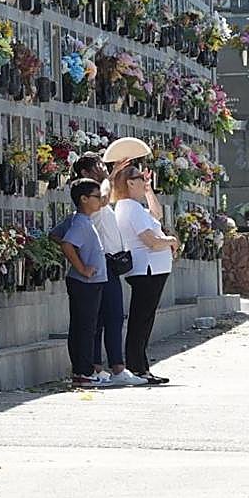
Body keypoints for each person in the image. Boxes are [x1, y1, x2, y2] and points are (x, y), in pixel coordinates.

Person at [51, 154, 147, 387]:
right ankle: (109, 368)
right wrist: (82, 263)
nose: (102, 169)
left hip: (104, 267)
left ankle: (95, 368)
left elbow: (56, 234)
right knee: (106, 318)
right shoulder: (91, 204)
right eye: (97, 166)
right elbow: (63, 239)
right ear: (84, 174)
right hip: (97, 269)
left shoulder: (89, 204)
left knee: (101, 319)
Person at [114, 164, 179, 385]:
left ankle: (141, 367)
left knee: (144, 320)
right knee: (141, 321)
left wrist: (149, 190)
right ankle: (137, 368)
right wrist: (171, 241)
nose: (144, 179)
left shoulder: (133, 207)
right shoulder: (130, 207)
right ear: (130, 183)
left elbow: (156, 215)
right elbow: (151, 241)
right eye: (140, 177)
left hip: (152, 269)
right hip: (147, 269)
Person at [59, 179, 109, 388]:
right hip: (85, 283)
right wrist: (82, 268)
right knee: (85, 329)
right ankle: (83, 372)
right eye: (96, 197)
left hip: (90, 283)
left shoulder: (83, 220)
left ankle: (82, 371)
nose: (100, 200)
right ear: (84, 199)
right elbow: (67, 244)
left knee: (86, 327)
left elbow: (57, 235)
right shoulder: (80, 222)